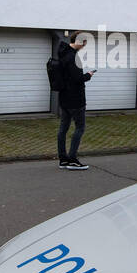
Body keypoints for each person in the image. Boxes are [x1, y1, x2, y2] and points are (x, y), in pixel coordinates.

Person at [56, 31, 95, 169]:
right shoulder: (73, 57)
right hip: (75, 100)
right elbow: (78, 79)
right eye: (84, 43)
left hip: (64, 98)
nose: (84, 46)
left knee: (63, 129)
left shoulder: (62, 53)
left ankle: (63, 159)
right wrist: (88, 75)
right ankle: (72, 159)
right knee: (80, 128)